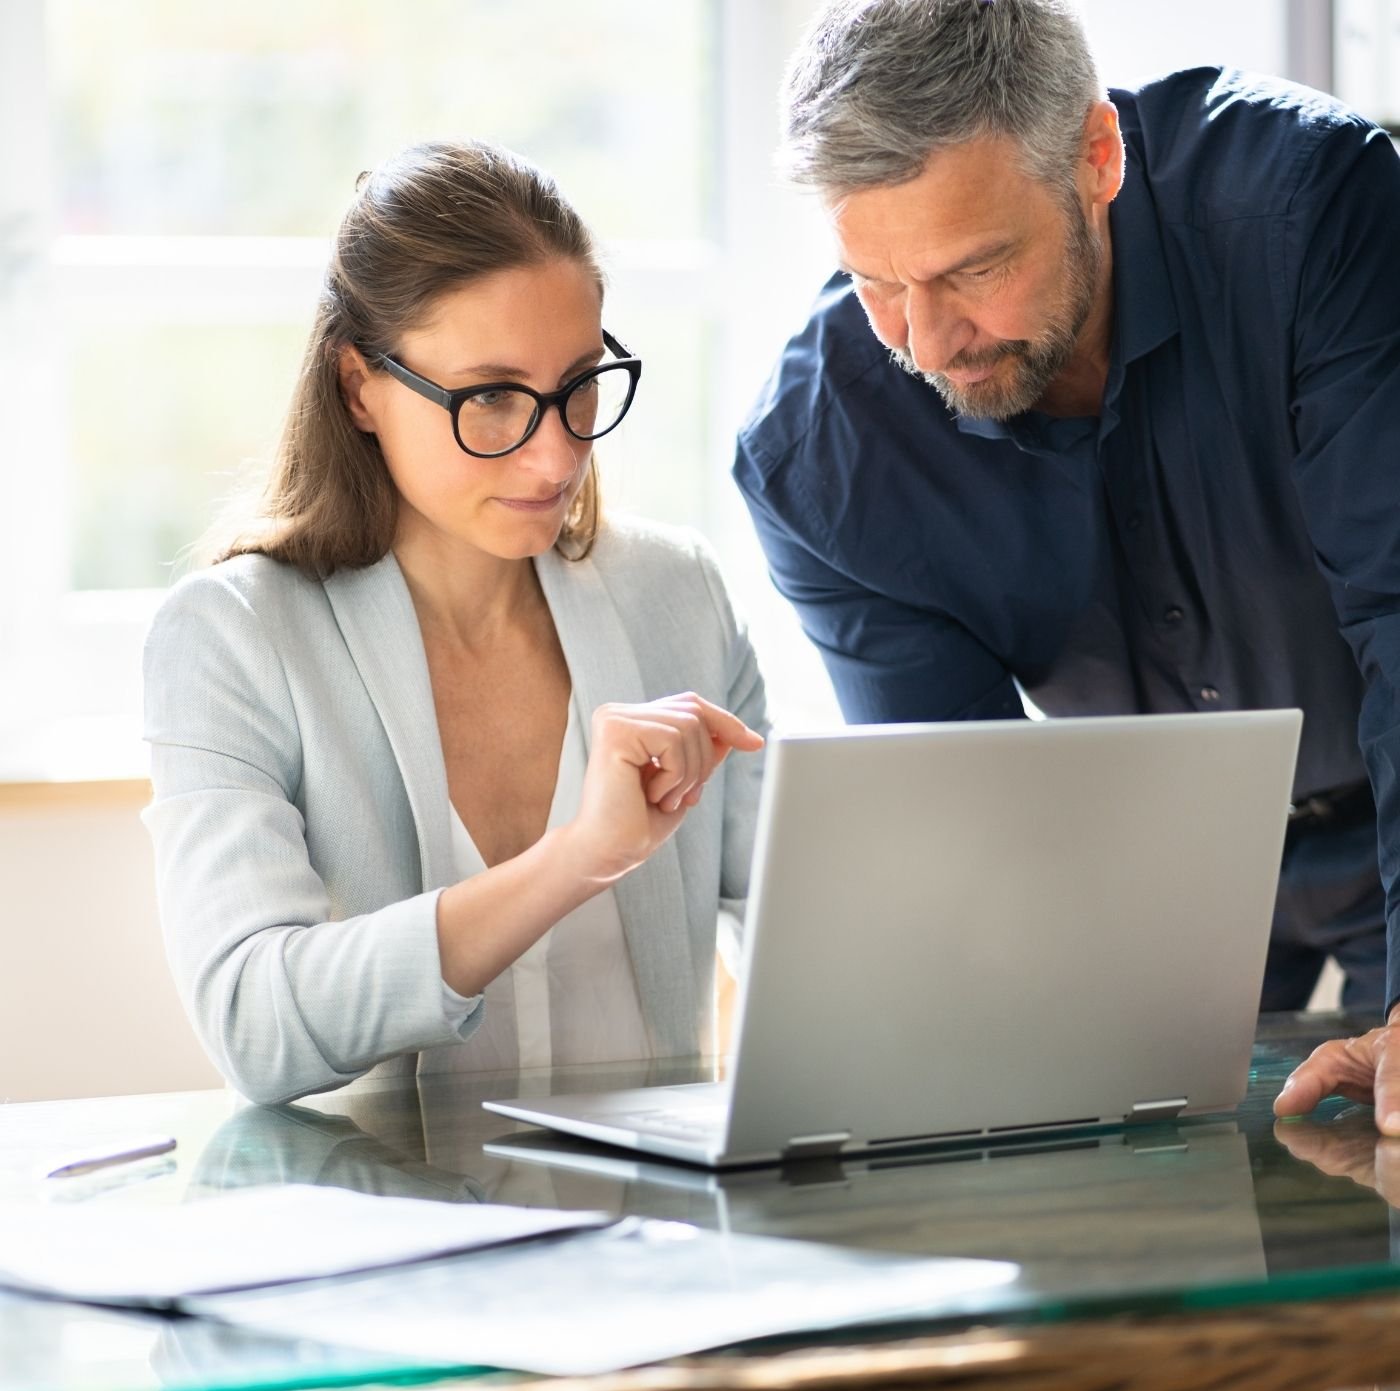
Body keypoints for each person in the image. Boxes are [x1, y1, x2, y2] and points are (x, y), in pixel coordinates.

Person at [731, 0, 1400, 1124]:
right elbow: (975, 826)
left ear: (1096, 155)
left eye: (972, 267)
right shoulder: (824, 456)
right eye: (878, 282)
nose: (925, 344)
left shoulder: (1313, 212)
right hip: (1143, 879)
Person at [143, 140, 766, 1107]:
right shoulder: (233, 638)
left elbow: (802, 925)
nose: (556, 457)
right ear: (359, 387)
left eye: (580, 385)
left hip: (658, 1237)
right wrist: (574, 861)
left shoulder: (677, 591)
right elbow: (254, 1027)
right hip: (382, 1237)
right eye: (492, 398)